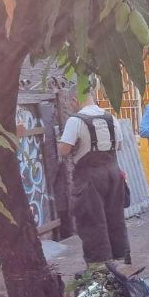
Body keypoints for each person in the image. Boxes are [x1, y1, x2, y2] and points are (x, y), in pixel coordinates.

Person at [58, 86, 129, 268]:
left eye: (70, 103)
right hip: (113, 173)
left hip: (89, 177)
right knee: (115, 218)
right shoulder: (111, 118)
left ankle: (99, 268)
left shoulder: (75, 120)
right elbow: (119, 146)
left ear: (75, 100)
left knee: (92, 220)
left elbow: (64, 150)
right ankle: (121, 261)